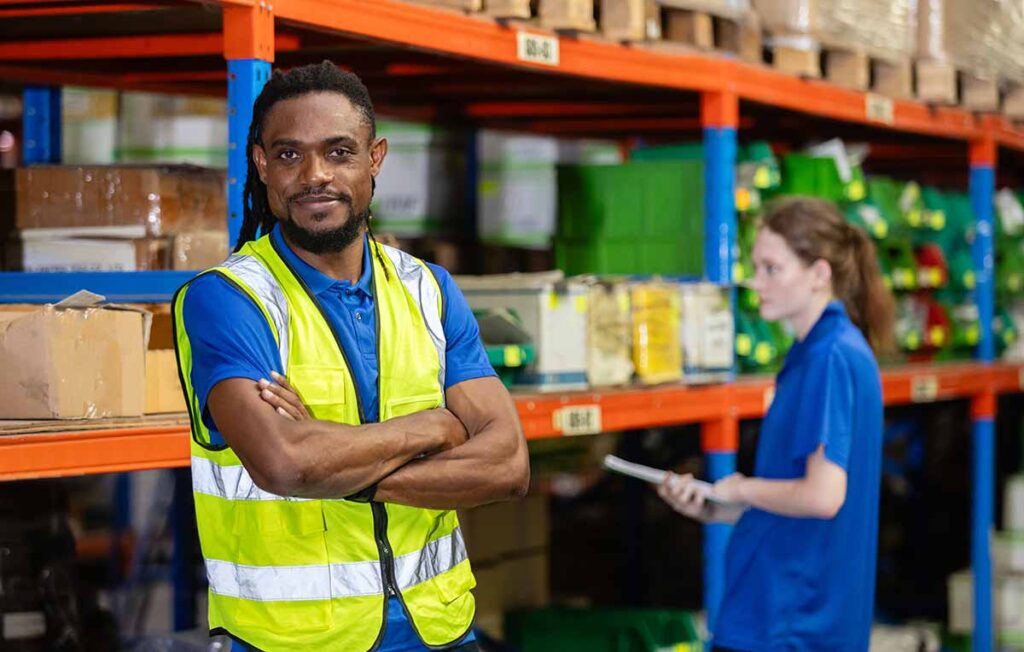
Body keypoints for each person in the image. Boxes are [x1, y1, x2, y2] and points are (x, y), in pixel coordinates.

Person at [172, 61, 530, 652]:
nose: (315, 176)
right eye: (290, 155)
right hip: (295, 641)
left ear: (375, 159)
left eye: (339, 152)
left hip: (441, 628)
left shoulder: (430, 290)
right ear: (261, 163)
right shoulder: (227, 300)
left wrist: (340, 464)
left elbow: (507, 466)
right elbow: (285, 464)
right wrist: (432, 427)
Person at [658, 196, 894, 651]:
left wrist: (741, 487)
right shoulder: (820, 353)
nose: (756, 281)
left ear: (819, 274)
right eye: (755, 266)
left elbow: (823, 495)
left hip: (790, 621)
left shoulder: (830, 356)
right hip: (790, 616)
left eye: (772, 268)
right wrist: (712, 504)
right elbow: (793, 496)